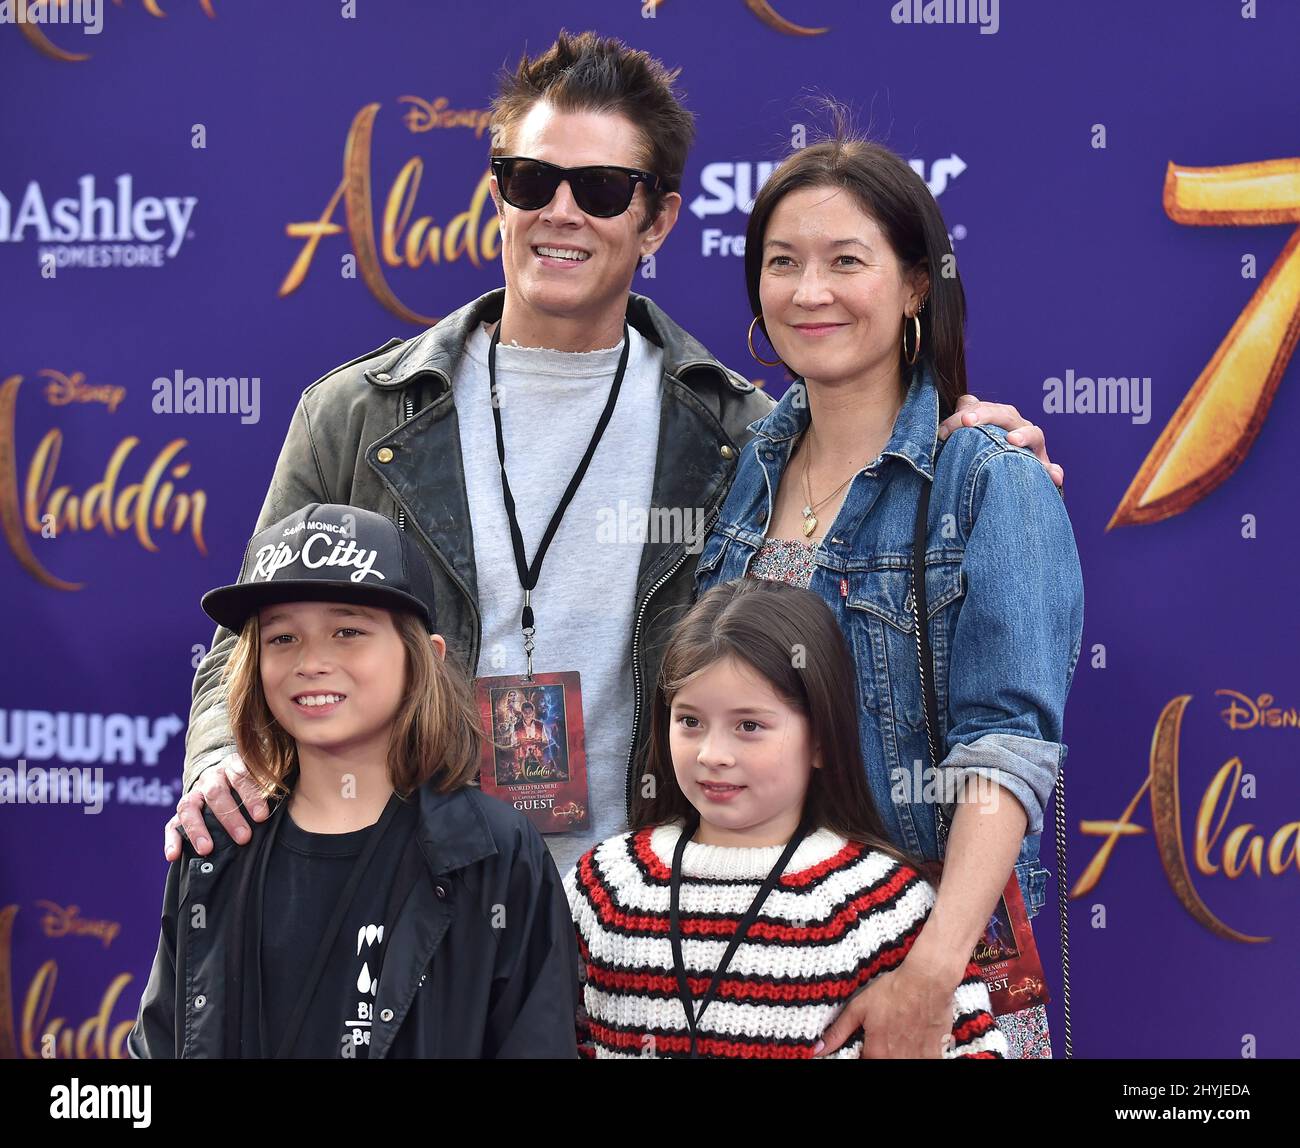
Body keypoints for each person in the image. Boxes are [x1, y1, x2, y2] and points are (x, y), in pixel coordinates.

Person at [165, 31, 1063, 892]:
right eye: (529, 180)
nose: (560, 211)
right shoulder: (357, 415)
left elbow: (872, 495)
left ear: (659, 219)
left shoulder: (736, 436)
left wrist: (972, 449)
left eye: (599, 187)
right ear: (498, 195)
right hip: (410, 907)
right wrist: (221, 757)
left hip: (649, 931)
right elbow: (247, 645)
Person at [694, 127, 1085, 1059]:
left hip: (922, 972)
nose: (809, 291)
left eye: (846, 261)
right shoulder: (739, 471)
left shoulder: (991, 479)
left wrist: (932, 973)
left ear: (915, 285)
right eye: (782, 262)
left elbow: (1009, 753)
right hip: (755, 960)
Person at [130, 504, 579, 1058]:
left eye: (347, 631)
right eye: (282, 638)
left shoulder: (495, 853)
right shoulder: (216, 842)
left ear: (426, 659)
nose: (311, 661)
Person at [565, 578, 1009, 1059]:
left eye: (749, 726)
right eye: (690, 721)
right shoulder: (605, 884)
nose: (713, 754)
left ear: (820, 739)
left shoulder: (878, 903)